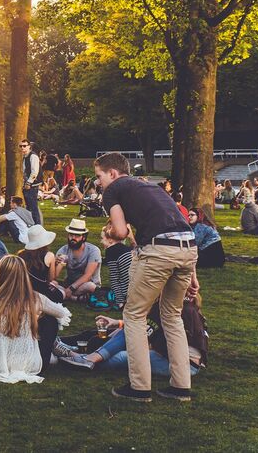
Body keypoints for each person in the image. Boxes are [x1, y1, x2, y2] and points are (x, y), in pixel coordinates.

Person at [96, 151, 199, 402]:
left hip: (159, 251)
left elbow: (120, 232)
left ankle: (140, 387)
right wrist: (193, 274)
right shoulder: (150, 186)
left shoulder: (113, 191)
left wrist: (112, 232)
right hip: (188, 248)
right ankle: (181, 386)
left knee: (134, 315)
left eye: (99, 176)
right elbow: (178, 224)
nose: (98, 182)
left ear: (112, 173)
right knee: (172, 316)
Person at [62, 290, 208, 381]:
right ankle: (82, 356)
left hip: (182, 365)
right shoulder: (184, 307)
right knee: (124, 337)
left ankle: (80, 358)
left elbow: (141, 331)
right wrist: (118, 323)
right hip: (175, 359)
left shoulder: (173, 309)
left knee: (121, 356)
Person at [0, 255, 71, 384]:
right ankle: (51, 351)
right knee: (50, 321)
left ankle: (52, 350)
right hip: (26, 365)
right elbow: (61, 313)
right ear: (24, 275)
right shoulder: (35, 298)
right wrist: (38, 314)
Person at [55, 219, 102, 302]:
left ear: (83, 237)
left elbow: (88, 275)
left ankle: (65, 295)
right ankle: (75, 298)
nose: (73, 238)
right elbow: (55, 276)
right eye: (71, 235)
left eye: (77, 235)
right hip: (69, 284)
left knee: (90, 286)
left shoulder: (93, 250)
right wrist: (57, 263)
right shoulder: (63, 250)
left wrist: (71, 288)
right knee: (51, 284)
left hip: (87, 284)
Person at [18, 224, 63, 303]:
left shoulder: (21, 255)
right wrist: (60, 264)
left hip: (24, 290)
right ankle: (76, 298)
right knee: (62, 293)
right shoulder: (49, 255)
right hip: (41, 291)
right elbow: (51, 279)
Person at [100, 223, 132, 307]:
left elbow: (114, 278)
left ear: (110, 240)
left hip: (127, 294)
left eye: (103, 238)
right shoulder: (128, 249)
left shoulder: (111, 252)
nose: (101, 241)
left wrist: (120, 302)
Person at [19, 140, 42, 225]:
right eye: (21, 146)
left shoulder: (33, 156)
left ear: (29, 146)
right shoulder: (25, 157)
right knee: (29, 206)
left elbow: (34, 171)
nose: (22, 148)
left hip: (33, 185)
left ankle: (38, 225)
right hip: (28, 184)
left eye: (24, 146)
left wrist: (29, 183)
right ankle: (32, 224)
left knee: (33, 206)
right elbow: (25, 171)